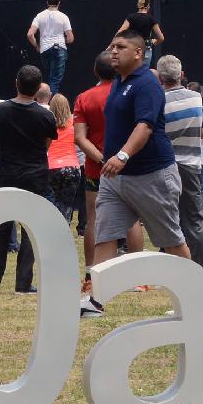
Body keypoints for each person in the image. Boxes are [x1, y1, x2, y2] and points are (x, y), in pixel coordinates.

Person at [80, 30, 188, 318]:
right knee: (106, 235)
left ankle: (190, 299)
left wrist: (123, 155)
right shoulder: (119, 82)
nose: (113, 51)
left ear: (139, 52)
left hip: (151, 174)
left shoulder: (147, 85)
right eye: (112, 46)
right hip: (115, 178)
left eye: (121, 46)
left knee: (170, 240)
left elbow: (145, 126)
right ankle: (95, 301)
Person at [0, 65, 57, 294]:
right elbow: (46, 145)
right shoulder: (46, 115)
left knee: (1, 227)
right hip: (35, 174)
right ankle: (23, 283)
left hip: (7, 172)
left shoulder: (0, 110)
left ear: (16, 82)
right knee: (30, 229)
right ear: (38, 88)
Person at [156, 55, 203, 283]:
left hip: (166, 165)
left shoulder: (158, 100)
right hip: (191, 165)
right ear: (181, 75)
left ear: (160, 77)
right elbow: (202, 130)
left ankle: (170, 271)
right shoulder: (196, 98)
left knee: (166, 220)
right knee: (194, 221)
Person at [71, 52, 124, 273]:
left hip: (96, 168)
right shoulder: (127, 93)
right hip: (126, 165)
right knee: (132, 218)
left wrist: (102, 159)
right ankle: (138, 279)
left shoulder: (84, 97)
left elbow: (80, 138)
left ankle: (91, 273)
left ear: (95, 71)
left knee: (92, 218)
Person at [46, 92, 84, 231]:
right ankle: (63, 231)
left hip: (51, 167)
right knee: (67, 204)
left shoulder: (47, 122)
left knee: (52, 202)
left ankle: (51, 229)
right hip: (72, 167)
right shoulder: (74, 123)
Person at [26, 0, 75, 94]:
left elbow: (30, 34)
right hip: (59, 49)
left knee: (50, 78)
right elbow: (70, 39)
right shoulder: (63, 17)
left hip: (44, 50)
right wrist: (60, 39)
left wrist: (37, 46)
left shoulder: (40, 16)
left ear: (47, 2)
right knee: (55, 81)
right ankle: (52, 107)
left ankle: (45, 102)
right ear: (59, 3)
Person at [118, 0, 165, 67]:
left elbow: (120, 33)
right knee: (143, 72)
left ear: (138, 5)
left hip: (133, 48)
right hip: (145, 49)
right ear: (148, 6)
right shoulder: (151, 19)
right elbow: (161, 38)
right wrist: (153, 42)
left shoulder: (131, 17)